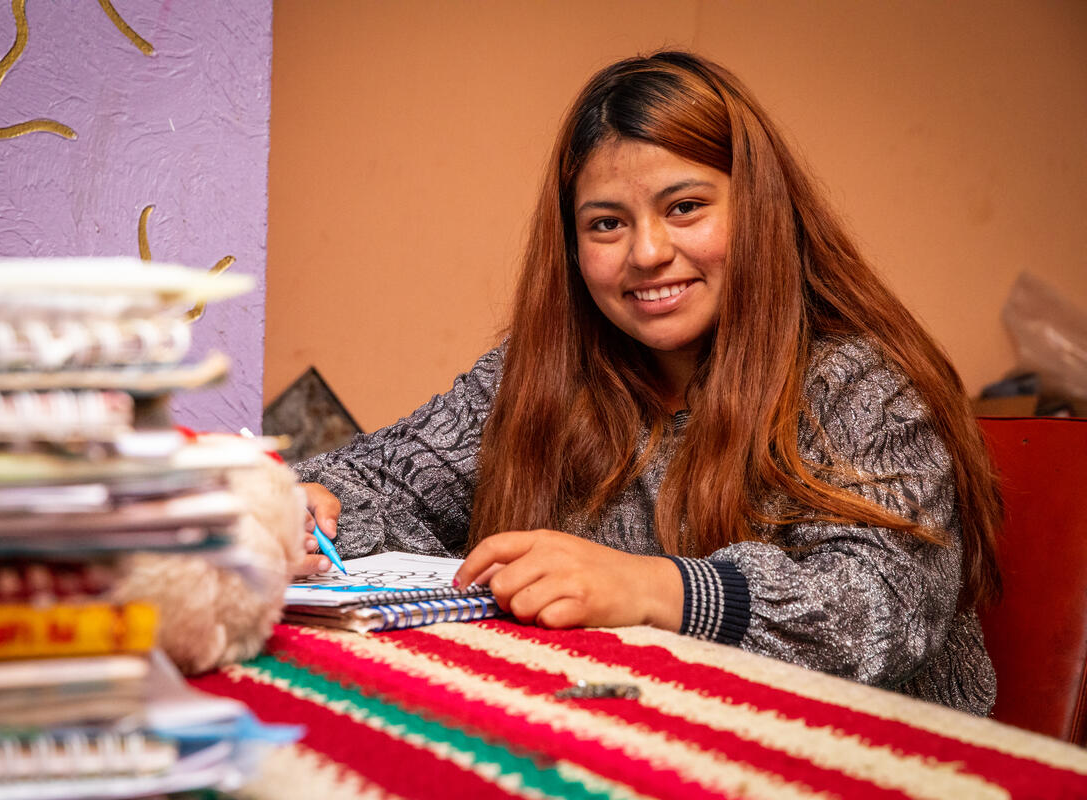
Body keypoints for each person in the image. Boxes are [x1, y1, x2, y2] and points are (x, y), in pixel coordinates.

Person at [292, 51, 1002, 715]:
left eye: (685, 207)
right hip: (632, 738)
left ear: (759, 208)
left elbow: (884, 607)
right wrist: (302, 510)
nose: (649, 253)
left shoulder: (862, 383)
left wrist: (653, 587)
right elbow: (380, 480)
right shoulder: (540, 376)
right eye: (607, 223)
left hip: (865, 761)